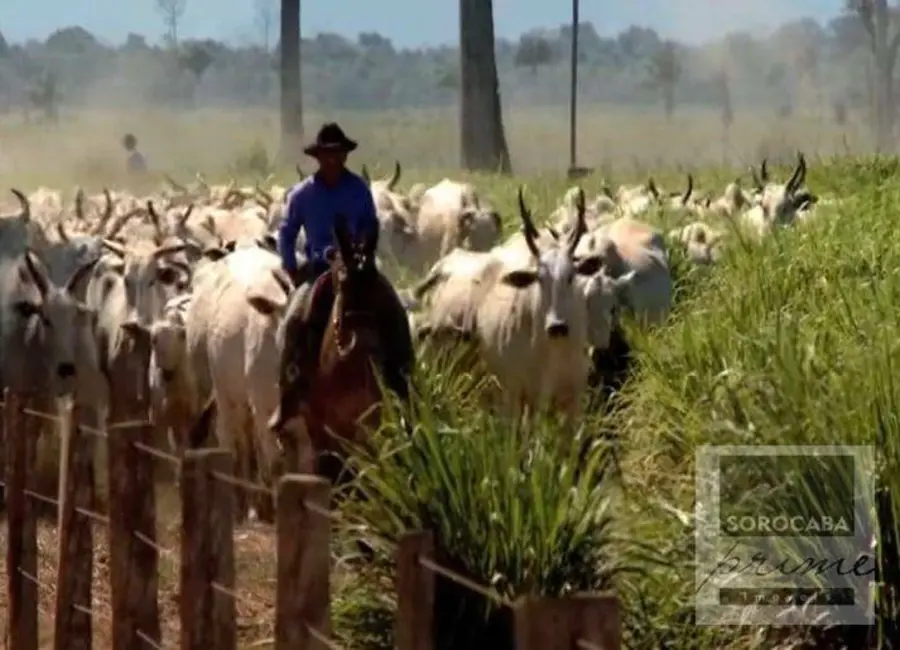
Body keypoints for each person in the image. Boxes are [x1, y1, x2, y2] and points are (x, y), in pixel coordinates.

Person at [277, 122, 412, 406]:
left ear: (345, 156)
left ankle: (405, 385)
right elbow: (287, 233)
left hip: (360, 268)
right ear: (317, 158)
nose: (332, 160)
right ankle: (289, 392)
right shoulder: (302, 194)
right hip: (319, 270)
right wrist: (290, 265)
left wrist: (361, 246)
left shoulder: (359, 190)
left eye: (337, 154)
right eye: (327, 155)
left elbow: (370, 223)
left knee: (395, 310)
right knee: (293, 320)